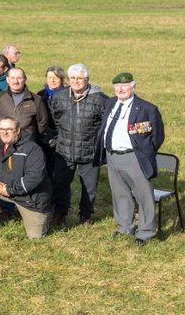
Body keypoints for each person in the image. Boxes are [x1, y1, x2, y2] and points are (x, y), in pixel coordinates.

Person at [98, 72, 164, 245]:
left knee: (144, 195)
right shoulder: (110, 102)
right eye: (117, 86)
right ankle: (124, 227)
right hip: (112, 156)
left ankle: (146, 232)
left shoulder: (147, 108)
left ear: (133, 86)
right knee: (119, 193)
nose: (120, 89)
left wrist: (143, 152)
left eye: (125, 86)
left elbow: (157, 136)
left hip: (134, 157)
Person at [47, 63, 107, 226]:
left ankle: (85, 216)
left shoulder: (100, 99)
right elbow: (55, 119)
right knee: (60, 184)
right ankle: (59, 213)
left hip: (89, 151)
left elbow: (104, 125)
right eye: (73, 78)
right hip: (64, 150)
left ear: (87, 79)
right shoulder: (59, 97)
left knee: (89, 188)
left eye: (80, 78)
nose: (76, 81)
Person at [0, 117, 52, 239]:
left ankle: (46, 217)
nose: (4, 133)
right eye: (1, 129)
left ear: (18, 130)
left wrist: (9, 190)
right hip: (5, 189)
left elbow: (34, 178)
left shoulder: (32, 149)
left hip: (30, 199)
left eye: (9, 129)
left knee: (35, 237)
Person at [0, 67, 51, 145]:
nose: (15, 81)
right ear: (7, 80)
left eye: (19, 78)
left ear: (24, 79)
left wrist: (29, 135)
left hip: (26, 143)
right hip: (4, 142)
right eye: (12, 78)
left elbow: (42, 123)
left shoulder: (36, 100)